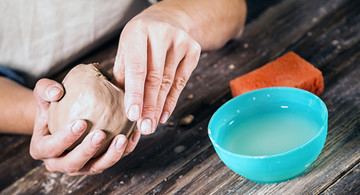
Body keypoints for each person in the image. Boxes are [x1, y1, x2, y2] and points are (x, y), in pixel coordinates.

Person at [0, 0, 247, 175]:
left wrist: (174, 16)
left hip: (149, 43)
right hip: (24, 90)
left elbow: (231, 8)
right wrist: (53, 116)